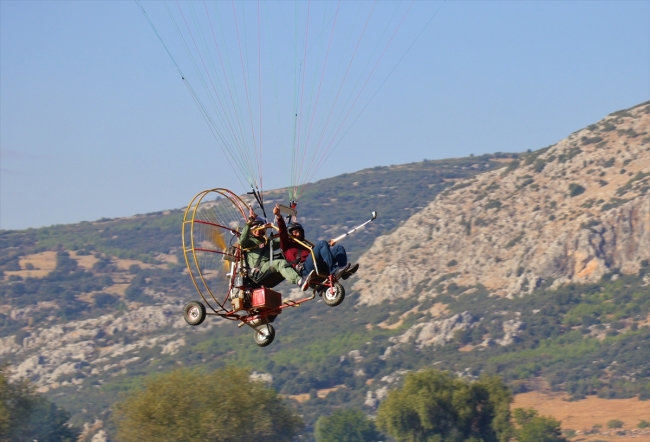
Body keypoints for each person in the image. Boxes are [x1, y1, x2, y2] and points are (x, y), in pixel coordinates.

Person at [273, 204, 359, 281]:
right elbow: (282, 232)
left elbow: (318, 252)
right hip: (305, 269)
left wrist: (329, 244)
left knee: (339, 248)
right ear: (290, 233)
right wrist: (279, 216)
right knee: (322, 243)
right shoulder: (286, 245)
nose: (298, 234)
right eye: (295, 232)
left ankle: (343, 272)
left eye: (299, 232)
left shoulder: (304, 245)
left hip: (316, 264)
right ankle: (334, 270)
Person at [239, 208, 312, 291]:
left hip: (268, 270)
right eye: (255, 227)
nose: (258, 230)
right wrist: (249, 222)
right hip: (259, 272)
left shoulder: (267, 242)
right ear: (251, 230)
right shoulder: (249, 242)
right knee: (280, 263)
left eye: (260, 227)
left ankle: (305, 271)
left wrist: (291, 230)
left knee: (287, 257)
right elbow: (242, 241)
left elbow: (283, 239)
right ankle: (299, 281)